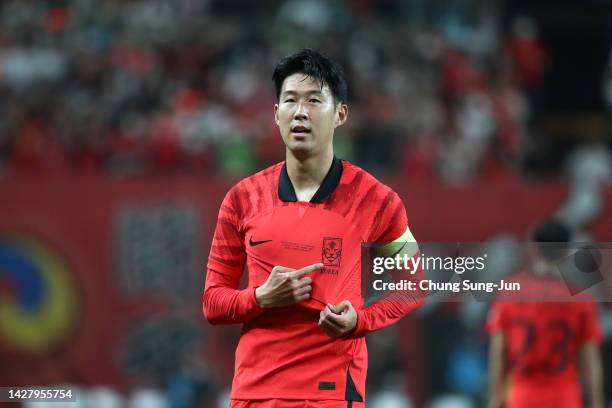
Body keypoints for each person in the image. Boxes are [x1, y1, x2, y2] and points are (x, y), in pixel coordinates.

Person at [203, 49, 424, 407]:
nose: (300, 111)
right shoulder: (241, 199)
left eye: (314, 100)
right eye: (290, 100)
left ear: (340, 114)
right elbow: (213, 302)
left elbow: (414, 285)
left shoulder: (378, 200)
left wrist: (361, 320)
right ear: (276, 115)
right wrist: (259, 297)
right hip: (256, 393)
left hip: (333, 393)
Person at [486, 219, 603, 408]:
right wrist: (596, 402)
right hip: (565, 397)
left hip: (522, 397)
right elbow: (590, 360)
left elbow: (499, 353)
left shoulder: (509, 294)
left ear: (535, 249)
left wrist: (496, 397)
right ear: (566, 251)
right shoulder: (581, 300)